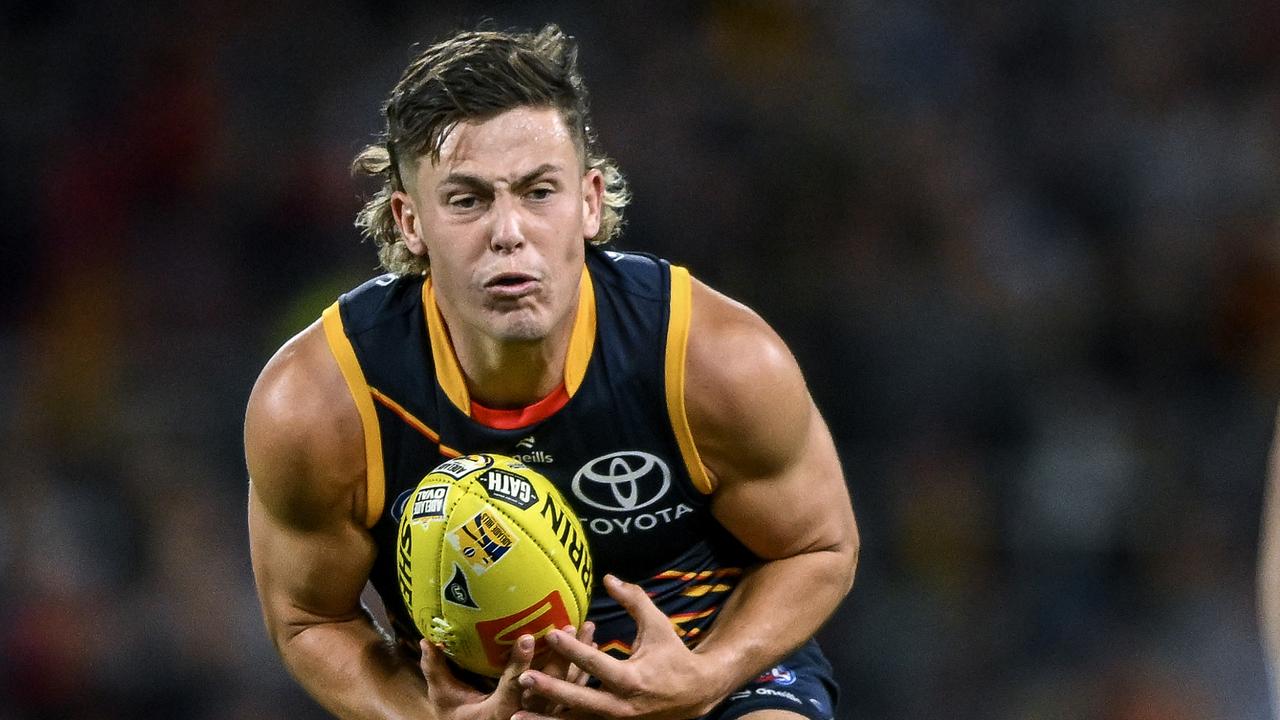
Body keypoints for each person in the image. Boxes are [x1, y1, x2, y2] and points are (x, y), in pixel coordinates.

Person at [245, 24, 858, 720]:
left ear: (590, 202)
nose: (509, 231)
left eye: (538, 192)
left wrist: (709, 673)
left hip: (705, 672)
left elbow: (820, 545)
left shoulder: (712, 358)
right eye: (468, 199)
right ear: (409, 221)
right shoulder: (321, 402)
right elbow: (309, 619)